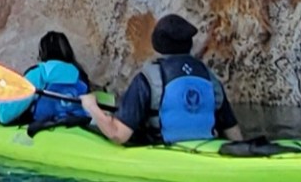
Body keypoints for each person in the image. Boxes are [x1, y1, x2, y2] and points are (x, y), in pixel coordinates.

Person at [81, 13, 244, 145]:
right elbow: (235, 136)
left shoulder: (148, 79)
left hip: (165, 153)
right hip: (207, 150)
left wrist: (92, 107)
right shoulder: (209, 77)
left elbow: (118, 135)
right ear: (189, 43)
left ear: (157, 43)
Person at [0, 30, 93, 129]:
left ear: (42, 53)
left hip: (45, 128)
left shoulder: (39, 73)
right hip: (76, 127)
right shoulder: (81, 75)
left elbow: (5, 115)